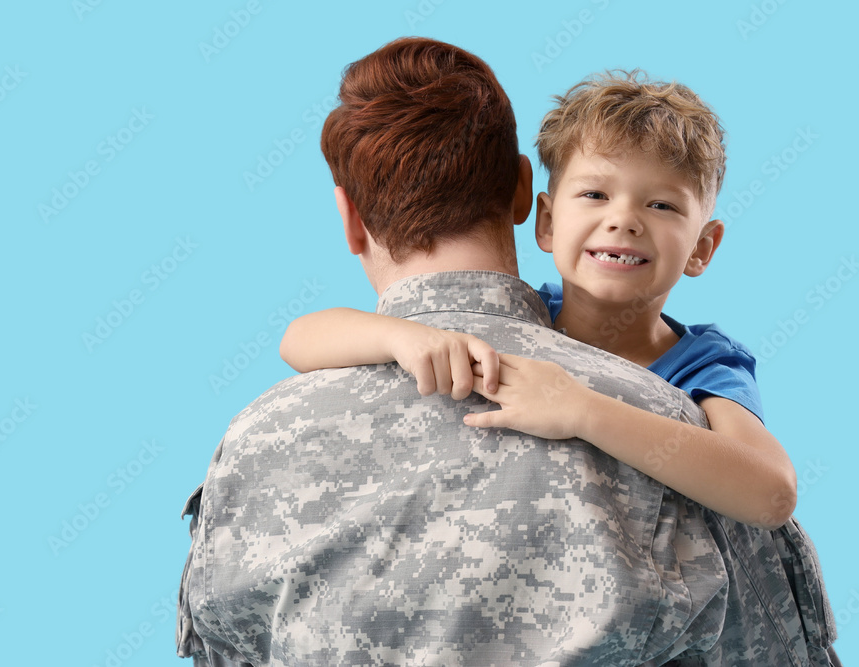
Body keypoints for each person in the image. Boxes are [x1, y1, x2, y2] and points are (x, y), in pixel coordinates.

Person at [176, 38, 833, 665]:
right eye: (596, 194)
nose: (624, 220)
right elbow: (301, 337)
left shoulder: (702, 378)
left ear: (703, 246)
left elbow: (772, 489)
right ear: (533, 205)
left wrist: (583, 409)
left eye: (661, 204)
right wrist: (400, 338)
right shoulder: (529, 333)